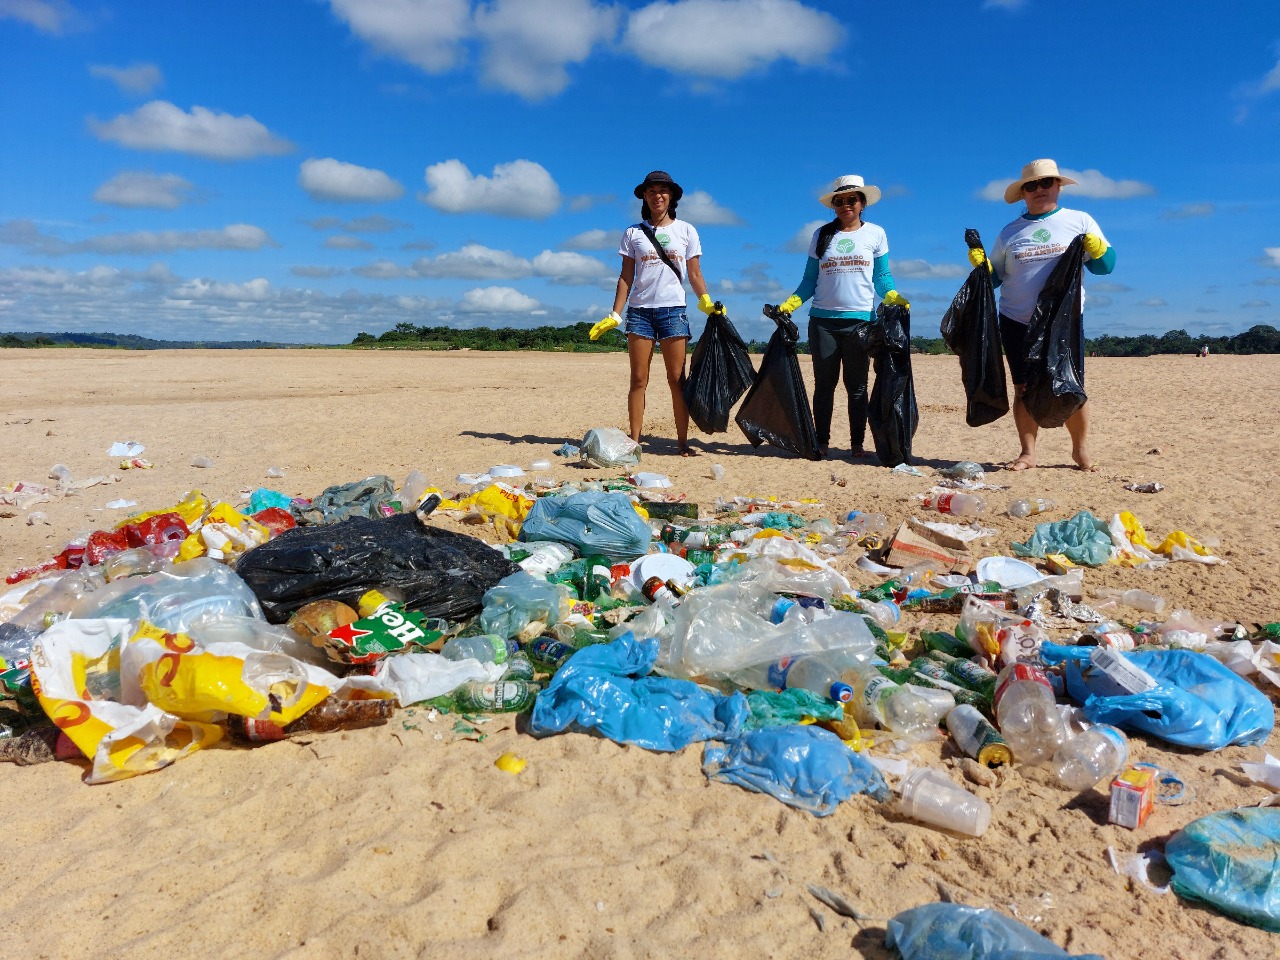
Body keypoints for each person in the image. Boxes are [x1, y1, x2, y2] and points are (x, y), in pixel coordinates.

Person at [969, 158, 1115, 472]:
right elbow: (994, 279)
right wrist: (982, 266)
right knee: (1022, 388)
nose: (1039, 190)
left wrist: (1099, 249)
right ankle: (1028, 454)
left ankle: (1080, 451)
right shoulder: (1010, 231)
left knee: (1071, 387)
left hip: (1062, 323)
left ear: (1058, 186)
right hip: (1015, 320)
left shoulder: (1080, 221)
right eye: (1031, 185)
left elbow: (1106, 267)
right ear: (1023, 193)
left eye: (1046, 183)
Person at [776, 174, 909, 460]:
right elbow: (809, 280)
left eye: (852, 199)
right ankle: (820, 442)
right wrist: (790, 304)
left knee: (857, 387)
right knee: (824, 386)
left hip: (861, 322)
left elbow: (882, 277)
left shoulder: (876, 234)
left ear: (862, 204)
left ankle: (857, 444)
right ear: (834, 205)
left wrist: (894, 297)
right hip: (822, 322)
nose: (846, 205)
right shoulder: (821, 235)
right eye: (840, 201)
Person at [591, 170, 714, 457]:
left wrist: (705, 300)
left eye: (663, 191)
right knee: (638, 379)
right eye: (651, 191)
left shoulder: (686, 230)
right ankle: (634, 441)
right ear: (644, 197)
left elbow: (694, 273)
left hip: (673, 310)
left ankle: (683, 442)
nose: (657, 195)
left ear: (671, 197)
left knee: (676, 378)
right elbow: (625, 277)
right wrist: (615, 314)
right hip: (640, 313)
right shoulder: (632, 232)